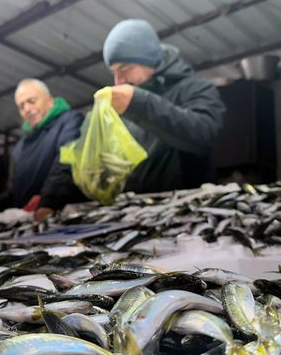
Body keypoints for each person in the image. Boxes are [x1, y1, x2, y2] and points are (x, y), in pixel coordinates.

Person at [35, 19, 226, 219]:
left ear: (149, 59)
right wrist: (51, 200)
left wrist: (139, 103)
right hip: (127, 218)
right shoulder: (114, 107)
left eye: (124, 68)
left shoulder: (193, 88)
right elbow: (80, 155)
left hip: (184, 215)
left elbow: (206, 133)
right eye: (114, 72)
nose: (118, 80)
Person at [0, 79, 85, 219]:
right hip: (28, 219)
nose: (27, 109)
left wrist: (46, 200)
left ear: (49, 100)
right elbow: (17, 188)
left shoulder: (70, 121)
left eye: (32, 101)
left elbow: (67, 163)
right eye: (21, 106)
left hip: (60, 214)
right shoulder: (21, 146)